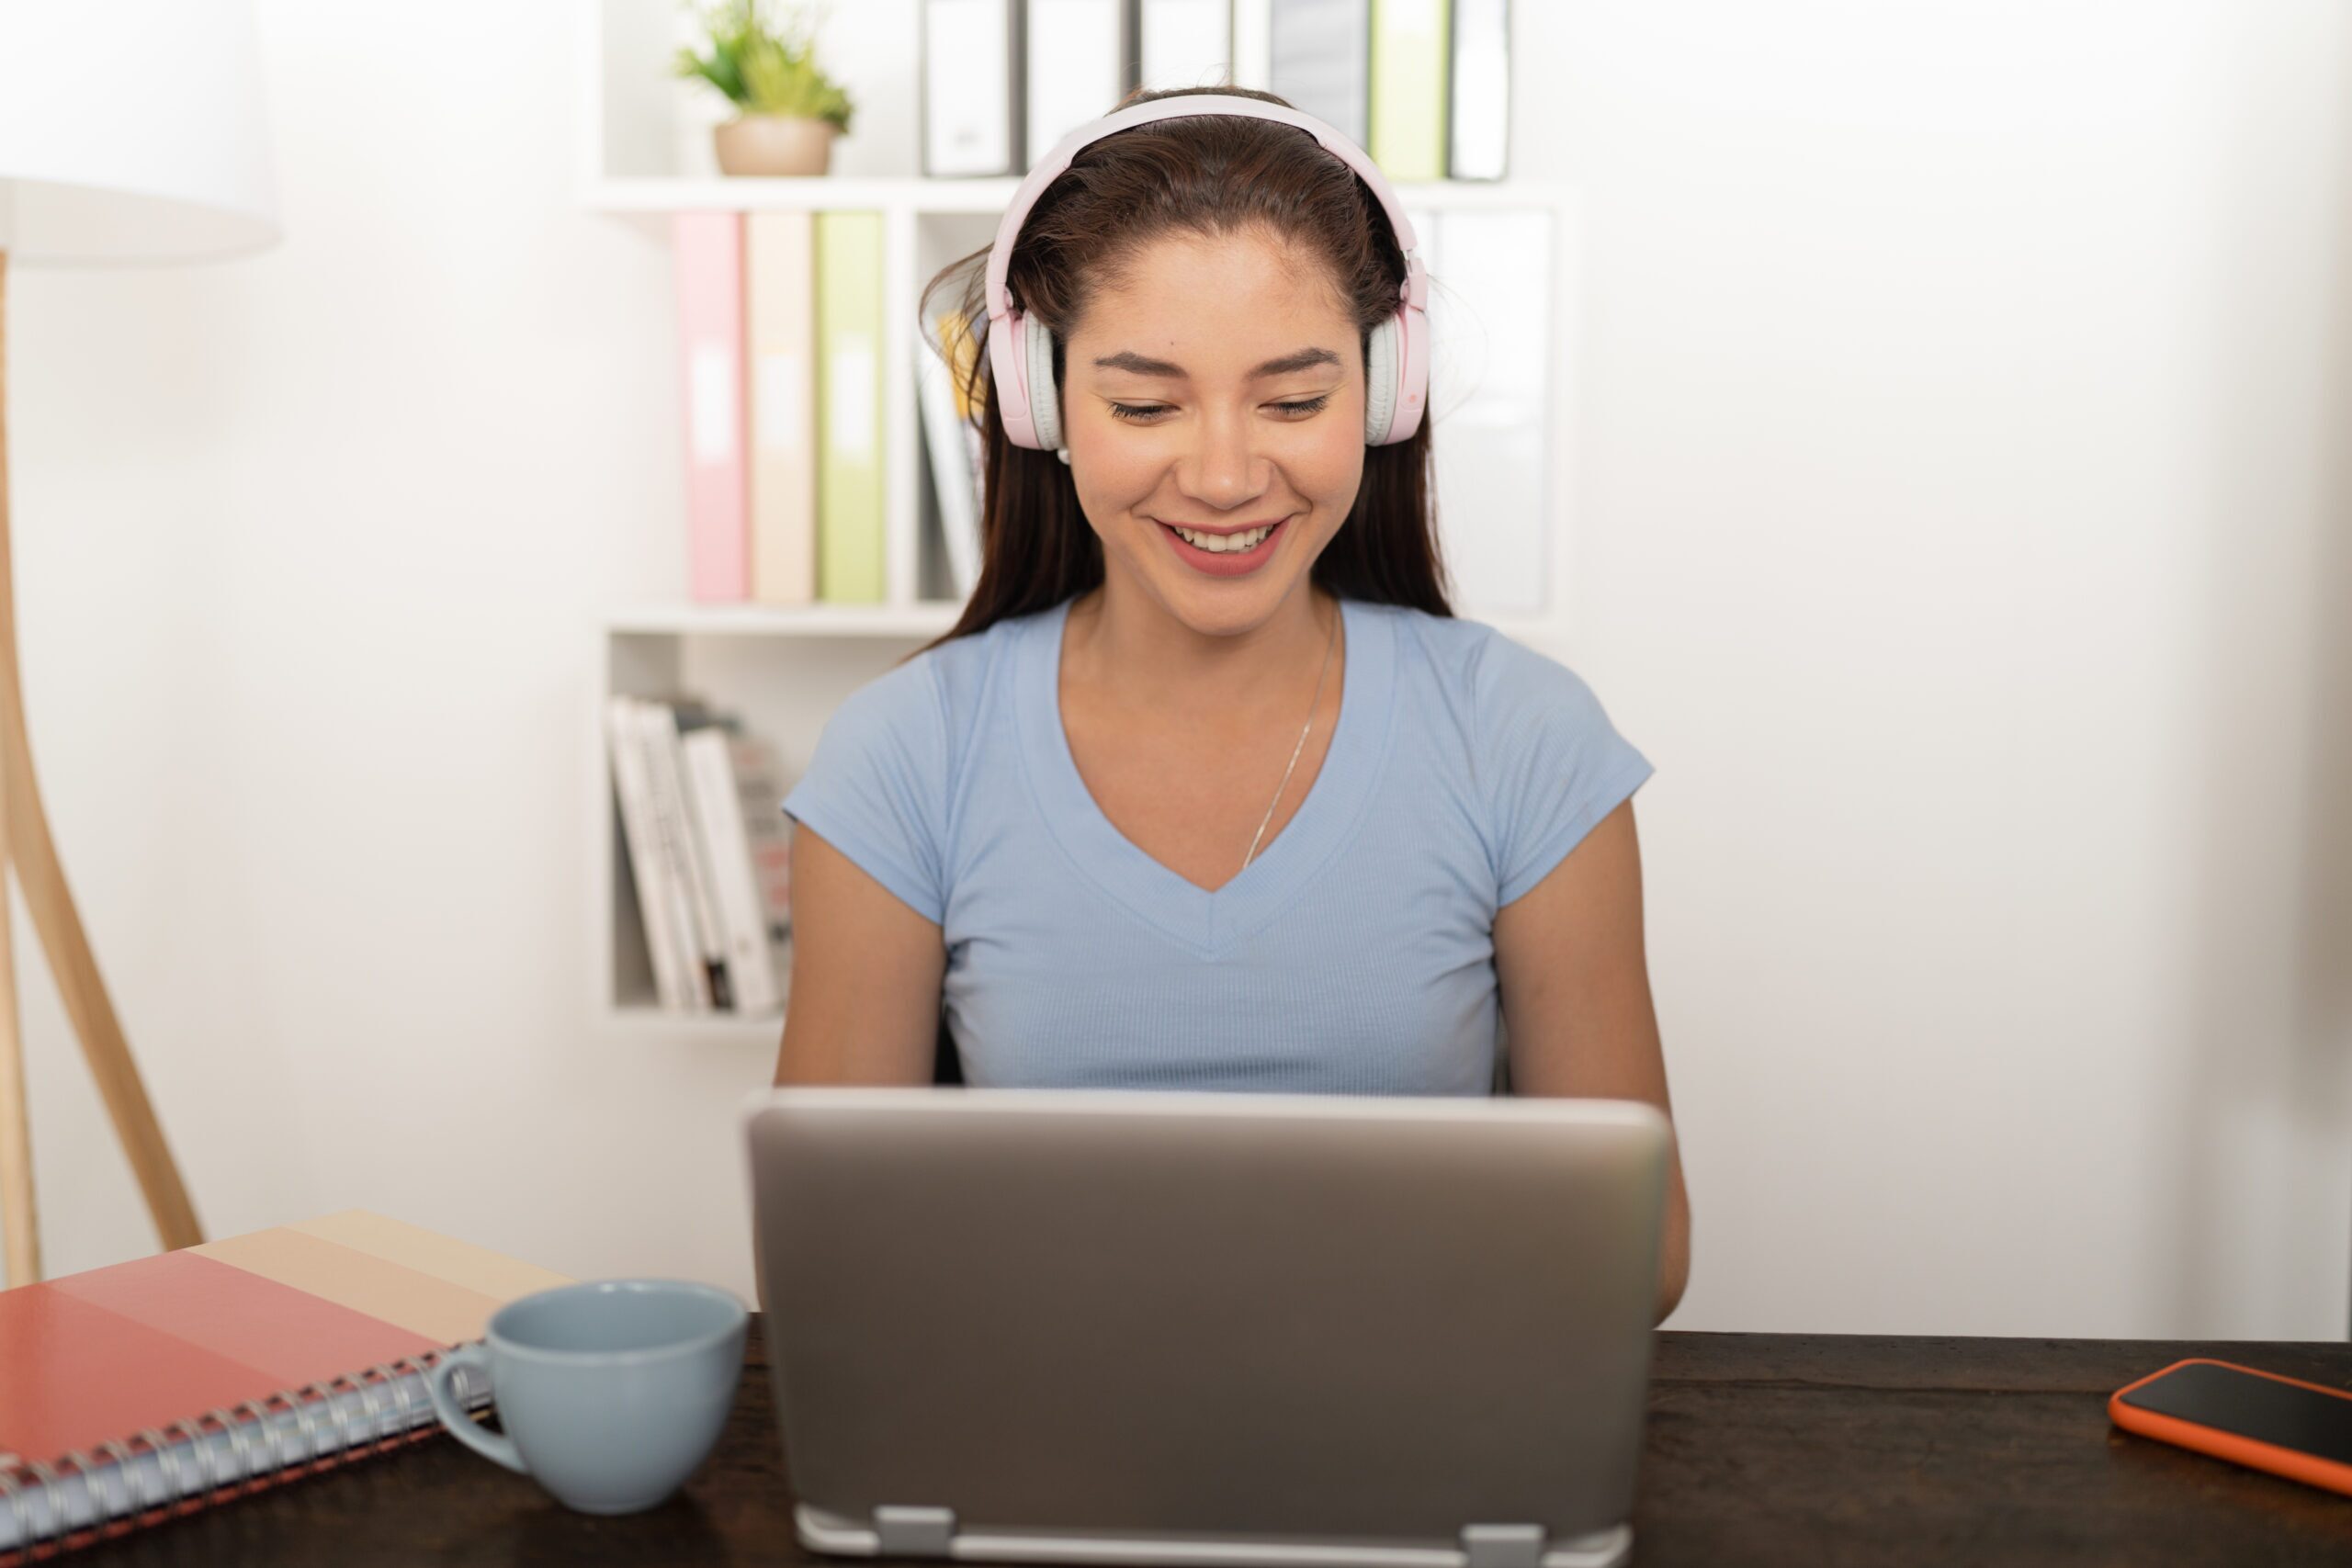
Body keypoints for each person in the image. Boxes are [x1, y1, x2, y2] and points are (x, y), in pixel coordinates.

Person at [771, 85, 1690, 1323]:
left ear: (1385, 393)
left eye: (1295, 401)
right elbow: (835, 1258)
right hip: (1044, 1454)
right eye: (1145, 405)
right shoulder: (903, 758)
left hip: (1421, 1444)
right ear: (1041, 405)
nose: (1222, 476)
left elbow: (1639, 1255)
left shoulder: (1523, 741)